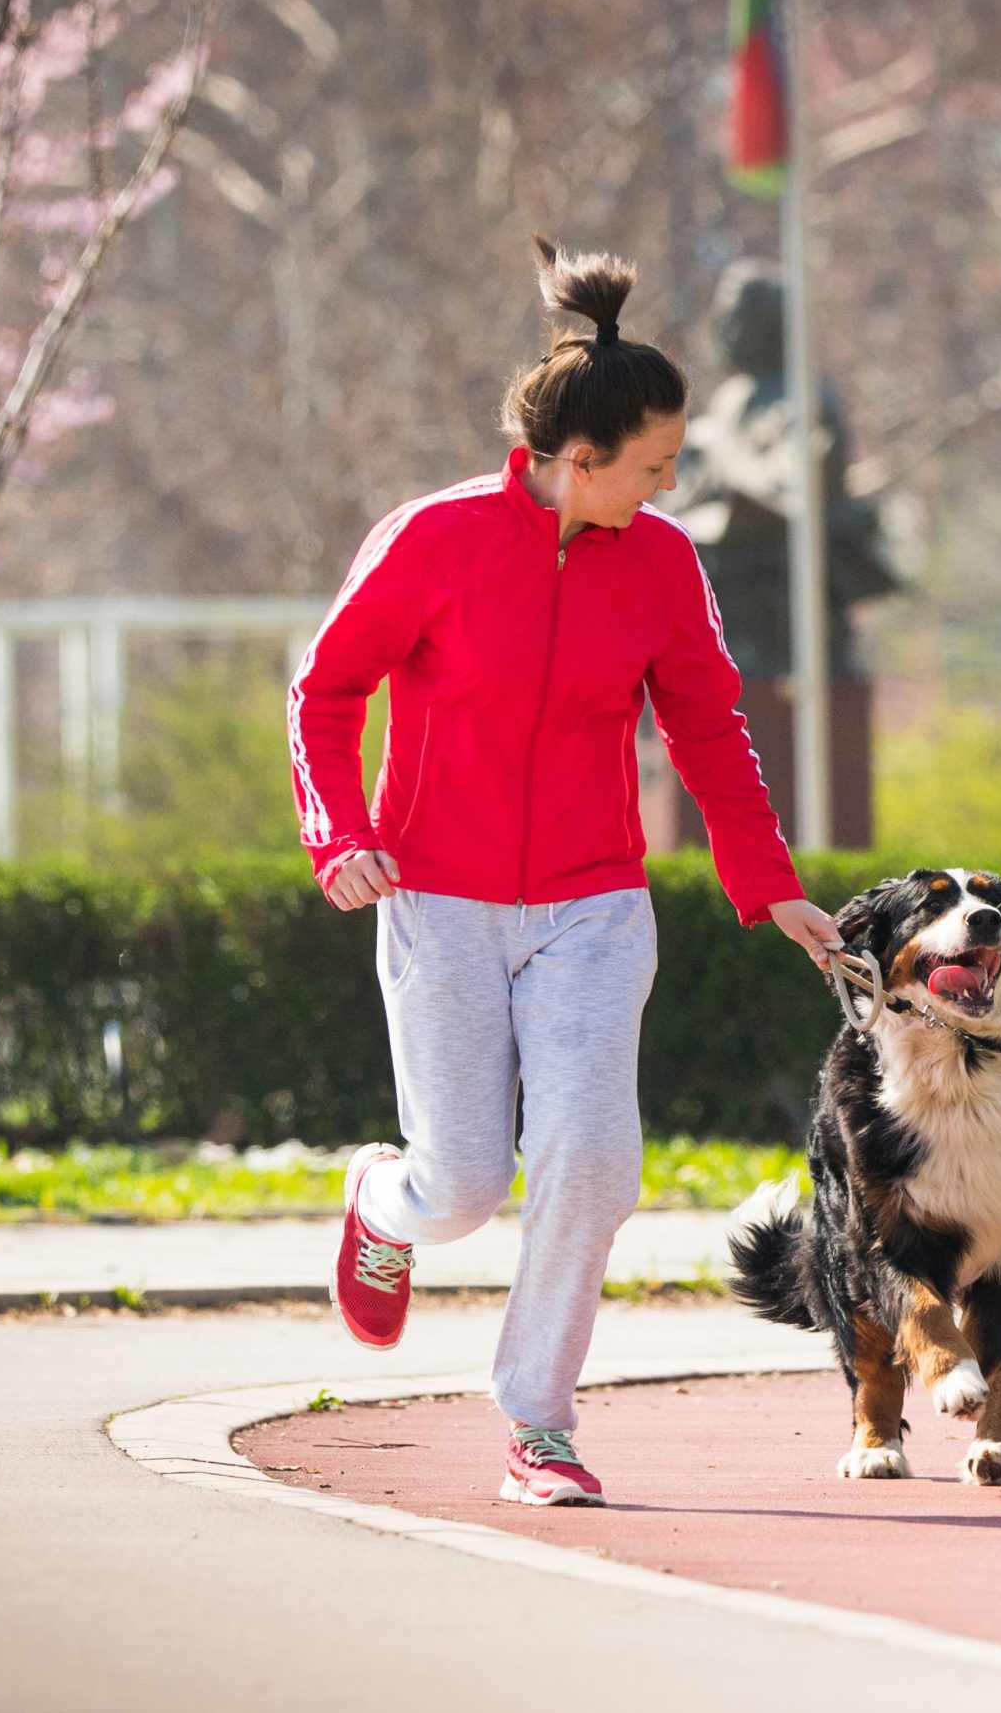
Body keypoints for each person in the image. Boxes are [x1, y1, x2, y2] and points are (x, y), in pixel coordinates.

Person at [285, 240, 842, 1508]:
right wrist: (344, 832)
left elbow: (707, 722)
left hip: (594, 904)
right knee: (466, 1183)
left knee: (591, 1159)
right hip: (437, 898)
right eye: (654, 463)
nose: (671, 481)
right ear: (577, 459)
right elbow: (326, 690)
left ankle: (537, 1420)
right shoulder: (433, 540)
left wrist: (769, 884)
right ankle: (385, 1202)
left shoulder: (660, 562)